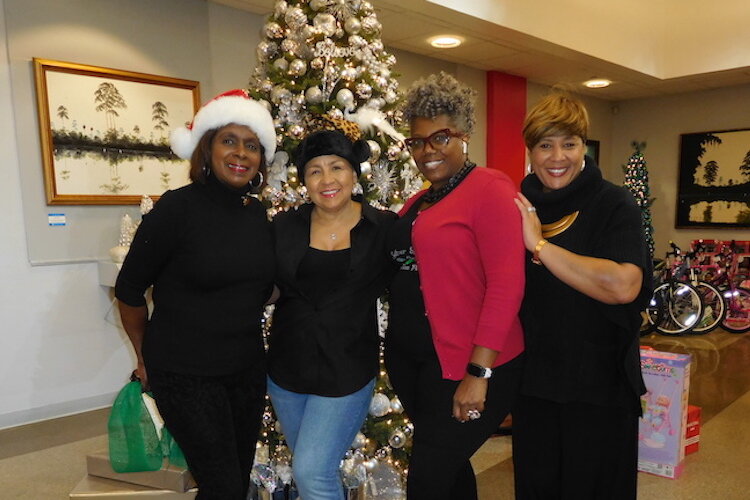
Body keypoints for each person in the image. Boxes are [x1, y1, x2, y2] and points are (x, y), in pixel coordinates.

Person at [115, 89, 276, 500]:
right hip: (184, 373)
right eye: (229, 140)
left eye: (252, 145)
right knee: (222, 486)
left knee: (232, 482)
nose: (241, 153)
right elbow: (129, 288)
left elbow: (262, 287)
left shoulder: (256, 214)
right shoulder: (176, 209)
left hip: (244, 372)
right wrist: (143, 354)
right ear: (207, 148)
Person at [384, 71, 525, 500]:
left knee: (426, 481)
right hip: (417, 366)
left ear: (464, 135)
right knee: (449, 471)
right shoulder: (419, 200)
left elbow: (507, 285)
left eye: (440, 138)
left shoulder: (490, 189)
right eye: (418, 141)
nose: (428, 151)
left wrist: (478, 374)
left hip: (469, 367)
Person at [512, 93, 651, 499]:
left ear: (584, 147)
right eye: (545, 145)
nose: (558, 157)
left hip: (599, 390)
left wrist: (540, 248)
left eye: (569, 144)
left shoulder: (614, 203)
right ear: (531, 152)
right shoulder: (520, 206)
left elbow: (624, 285)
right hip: (535, 386)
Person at [266, 123, 396, 500]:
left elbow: (415, 284)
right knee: (315, 472)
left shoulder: (384, 228)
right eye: (314, 170)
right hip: (287, 372)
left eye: (336, 167)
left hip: (347, 371)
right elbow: (267, 286)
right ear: (304, 179)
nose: (327, 179)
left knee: (312, 471)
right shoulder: (284, 226)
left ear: (354, 172)